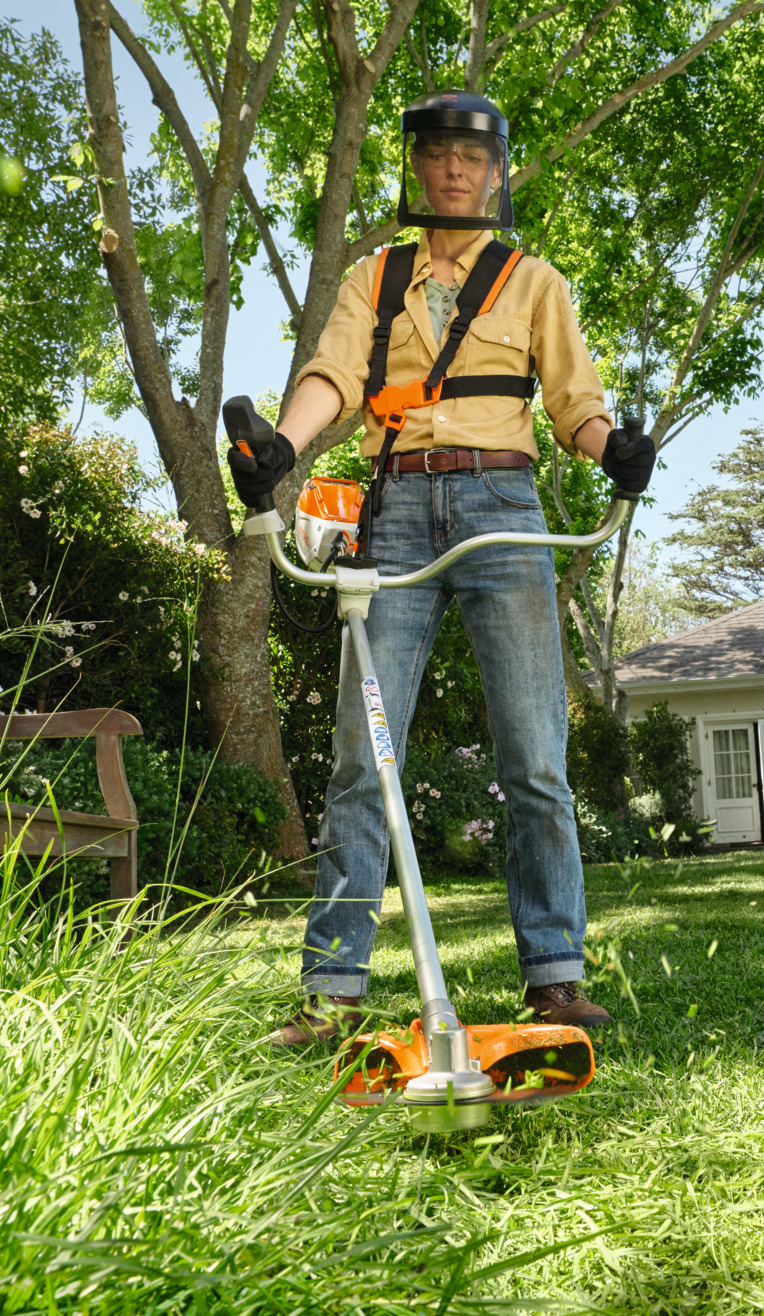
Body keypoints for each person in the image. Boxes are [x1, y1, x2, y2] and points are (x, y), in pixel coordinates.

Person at [231, 90, 653, 1046]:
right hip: (399, 508)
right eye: (437, 153)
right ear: (416, 166)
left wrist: (610, 449)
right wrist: (281, 450)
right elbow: (330, 381)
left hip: (504, 509)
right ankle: (333, 992)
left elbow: (573, 406)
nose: (454, 168)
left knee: (535, 753)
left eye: (472, 154)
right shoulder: (373, 279)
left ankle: (554, 977)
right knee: (359, 754)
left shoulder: (535, 282)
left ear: (498, 169)